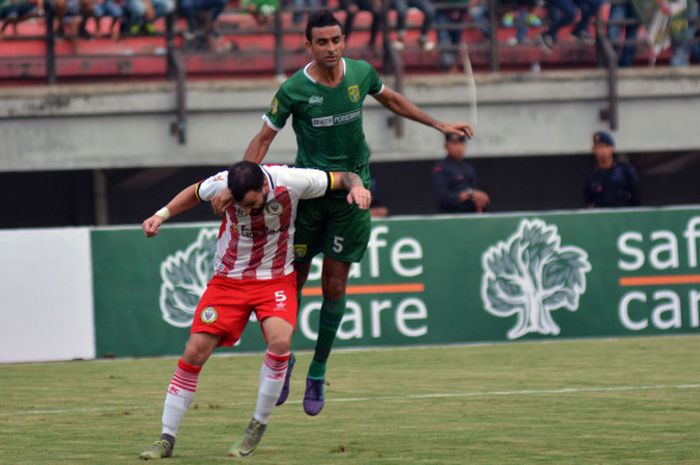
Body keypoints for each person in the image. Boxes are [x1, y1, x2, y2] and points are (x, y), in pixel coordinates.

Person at [213, 9, 474, 417]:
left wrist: (439, 125)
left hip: (353, 192)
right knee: (289, 284)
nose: (331, 48)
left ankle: (317, 371)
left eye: (336, 40)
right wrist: (236, 186)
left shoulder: (361, 74)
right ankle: (282, 361)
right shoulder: (294, 89)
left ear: (343, 40)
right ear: (309, 45)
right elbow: (264, 138)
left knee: (335, 285)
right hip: (311, 193)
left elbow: (391, 98)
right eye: (323, 42)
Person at [138, 161, 371, 460]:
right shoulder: (223, 184)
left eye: (251, 204)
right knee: (194, 352)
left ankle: (257, 425)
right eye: (240, 204)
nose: (246, 211)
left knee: (280, 341)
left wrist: (358, 187)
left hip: (274, 278)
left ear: (264, 186)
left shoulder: (291, 180)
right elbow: (194, 192)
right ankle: (165, 438)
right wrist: (161, 215)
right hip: (228, 281)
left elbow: (343, 177)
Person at [432, 132, 490, 213]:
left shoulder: (468, 168)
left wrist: (480, 200)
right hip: (451, 216)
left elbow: (476, 191)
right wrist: (469, 194)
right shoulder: (440, 168)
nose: (459, 148)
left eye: (461, 144)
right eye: (454, 144)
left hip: (471, 215)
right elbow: (443, 199)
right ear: (446, 146)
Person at [584, 131, 640, 208]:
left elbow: (636, 198)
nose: (603, 150)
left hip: (624, 217)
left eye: (607, 146)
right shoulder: (591, 176)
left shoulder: (626, 171)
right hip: (601, 218)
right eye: (600, 146)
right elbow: (589, 203)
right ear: (594, 149)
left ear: (612, 149)